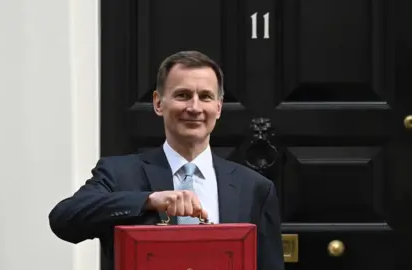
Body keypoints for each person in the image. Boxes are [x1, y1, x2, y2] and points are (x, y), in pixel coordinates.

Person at [48, 50, 284, 270]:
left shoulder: (255, 188)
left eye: (205, 97)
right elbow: (64, 219)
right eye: (182, 95)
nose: (194, 107)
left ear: (218, 107)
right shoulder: (119, 173)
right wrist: (149, 200)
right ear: (159, 103)